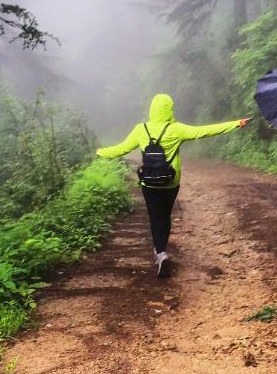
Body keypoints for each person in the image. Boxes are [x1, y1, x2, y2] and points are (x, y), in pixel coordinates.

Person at [97, 93, 249, 276]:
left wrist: (100, 152)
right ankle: (162, 251)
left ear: (152, 109)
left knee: (155, 217)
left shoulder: (141, 129)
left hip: (149, 182)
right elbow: (205, 130)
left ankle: (160, 252)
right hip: (170, 182)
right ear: (170, 109)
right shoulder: (176, 129)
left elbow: (121, 149)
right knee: (166, 215)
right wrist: (235, 123)